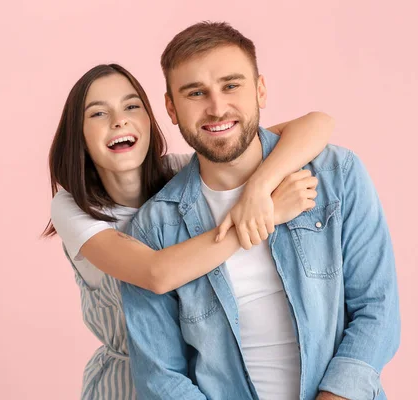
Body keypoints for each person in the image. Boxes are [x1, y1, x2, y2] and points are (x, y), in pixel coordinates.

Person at [120, 22, 400, 400]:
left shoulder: (338, 175)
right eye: (195, 93)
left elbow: (377, 311)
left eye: (231, 85)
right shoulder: (153, 229)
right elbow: (159, 375)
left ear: (261, 90)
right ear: (171, 107)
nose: (217, 107)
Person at [44, 63, 334, 399]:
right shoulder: (71, 206)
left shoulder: (180, 171)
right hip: (130, 385)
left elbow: (316, 124)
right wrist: (264, 217)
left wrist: (260, 190)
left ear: (152, 119)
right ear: (77, 133)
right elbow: (156, 273)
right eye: (98, 114)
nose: (118, 120)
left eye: (131, 106)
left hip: (203, 375)